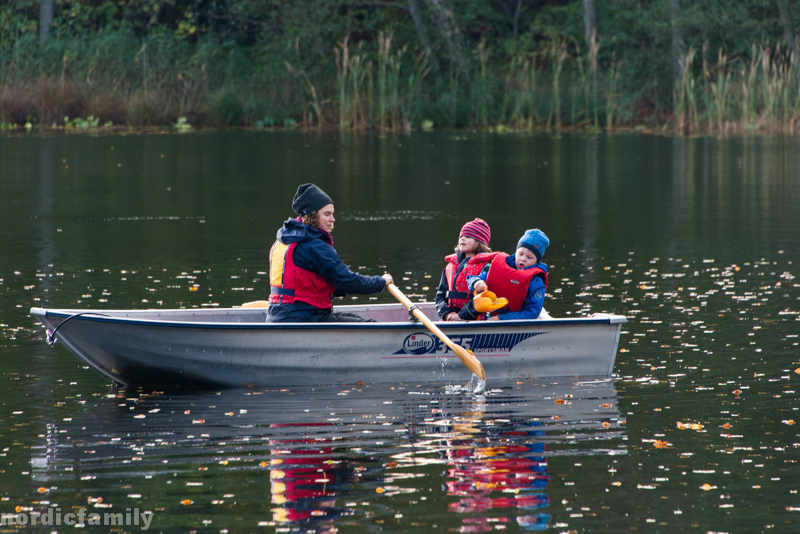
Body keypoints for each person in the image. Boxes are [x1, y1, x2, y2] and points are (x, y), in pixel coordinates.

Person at [267, 183, 392, 322]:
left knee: (355, 319)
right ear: (312, 216)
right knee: (370, 325)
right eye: (327, 214)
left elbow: (312, 284)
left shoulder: (283, 240)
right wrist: (381, 282)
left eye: (332, 214)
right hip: (304, 317)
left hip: (278, 316)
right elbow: (346, 280)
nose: (332, 219)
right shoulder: (315, 246)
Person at [468, 228, 549, 321]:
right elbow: (474, 278)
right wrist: (476, 282)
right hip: (493, 319)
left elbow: (532, 312)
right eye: (520, 254)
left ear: (536, 262)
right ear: (515, 253)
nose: (523, 259)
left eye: (529, 257)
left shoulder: (536, 281)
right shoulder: (502, 266)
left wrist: (502, 318)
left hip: (516, 324)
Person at [434, 218, 497, 321]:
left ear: (479, 241)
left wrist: (460, 316)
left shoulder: (486, 267)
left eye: (468, 236)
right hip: (449, 318)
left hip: (473, 319)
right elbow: (440, 295)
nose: (462, 239)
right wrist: (446, 314)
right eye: (461, 236)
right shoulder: (450, 266)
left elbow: (483, 298)